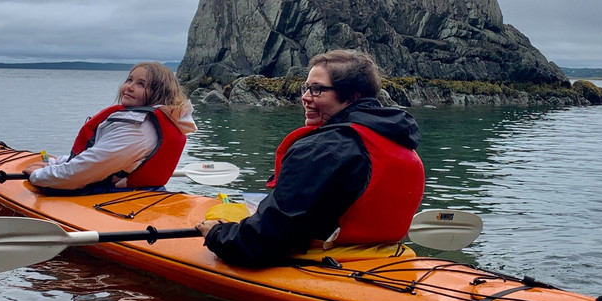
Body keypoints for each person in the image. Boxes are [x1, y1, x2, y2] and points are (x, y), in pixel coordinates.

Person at [197, 50, 425, 266]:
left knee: (220, 217)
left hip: (330, 260)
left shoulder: (324, 147)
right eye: (305, 88)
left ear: (352, 97)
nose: (305, 98)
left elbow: (266, 239)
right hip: (387, 255)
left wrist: (218, 235)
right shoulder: (395, 137)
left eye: (317, 89)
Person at [23, 62, 196, 192]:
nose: (129, 87)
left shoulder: (137, 130)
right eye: (130, 80)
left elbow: (85, 170)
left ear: (158, 93)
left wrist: (37, 176)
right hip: (132, 191)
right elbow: (95, 157)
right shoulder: (145, 121)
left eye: (141, 84)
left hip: (115, 195)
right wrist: (55, 163)